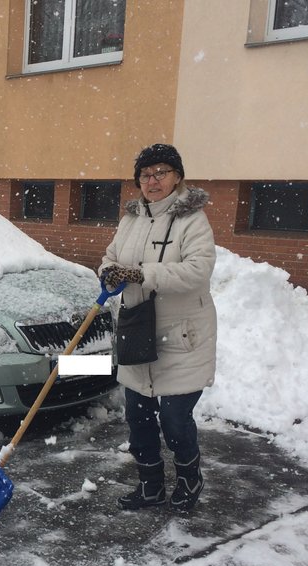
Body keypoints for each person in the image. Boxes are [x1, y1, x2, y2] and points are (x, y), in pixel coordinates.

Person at [99, 143, 217, 511]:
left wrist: (140, 274)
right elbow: (111, 257)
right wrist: (108, 272)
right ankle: (150, 486)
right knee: (138, 417)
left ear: (177, 176)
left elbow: (198, 272)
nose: (152, 181)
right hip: (137, 332)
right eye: (146, 175)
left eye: (161, 173)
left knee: (175, 419)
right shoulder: (131, 218)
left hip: (181, 337)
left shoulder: (192, 220)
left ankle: (188, 479)